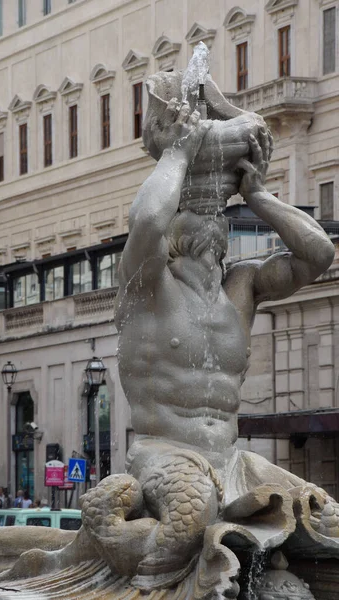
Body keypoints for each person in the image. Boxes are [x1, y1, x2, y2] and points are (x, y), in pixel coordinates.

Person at [109, 102, 336, 576]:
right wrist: (178, 153)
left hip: (233, 462)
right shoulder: (146, 284)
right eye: (193, 211)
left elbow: (318, 253)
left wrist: (259, 196)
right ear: (173, 227)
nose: (210, 219)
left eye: (216, 213)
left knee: (327, 522)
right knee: (191, 519)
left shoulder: (242, 288)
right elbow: (146, 221)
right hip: (164, 455)